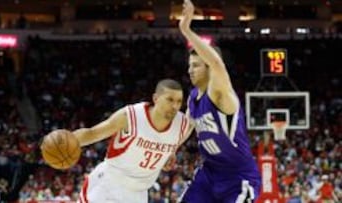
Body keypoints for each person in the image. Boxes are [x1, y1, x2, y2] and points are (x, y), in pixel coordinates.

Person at [53, 79, 191, 203]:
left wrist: (171, 151)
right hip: (108, 187)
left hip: (138, 194)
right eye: (170, 100)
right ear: (156, 98)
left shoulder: (182, 124)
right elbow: (93, 133)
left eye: (179, 101)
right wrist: (65, 142)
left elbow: (178, 135)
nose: (175, 106)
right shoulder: (132, 116)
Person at [178, 0, 261, 202]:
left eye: (196, 65)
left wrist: (186, 30)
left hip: (238, 178)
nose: (190, 70)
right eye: (190, 65)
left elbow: (216, 63)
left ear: (208, 67)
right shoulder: (193, 98)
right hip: (209, 175)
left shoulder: (220, 93)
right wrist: (170, 149)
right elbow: (185, 127)